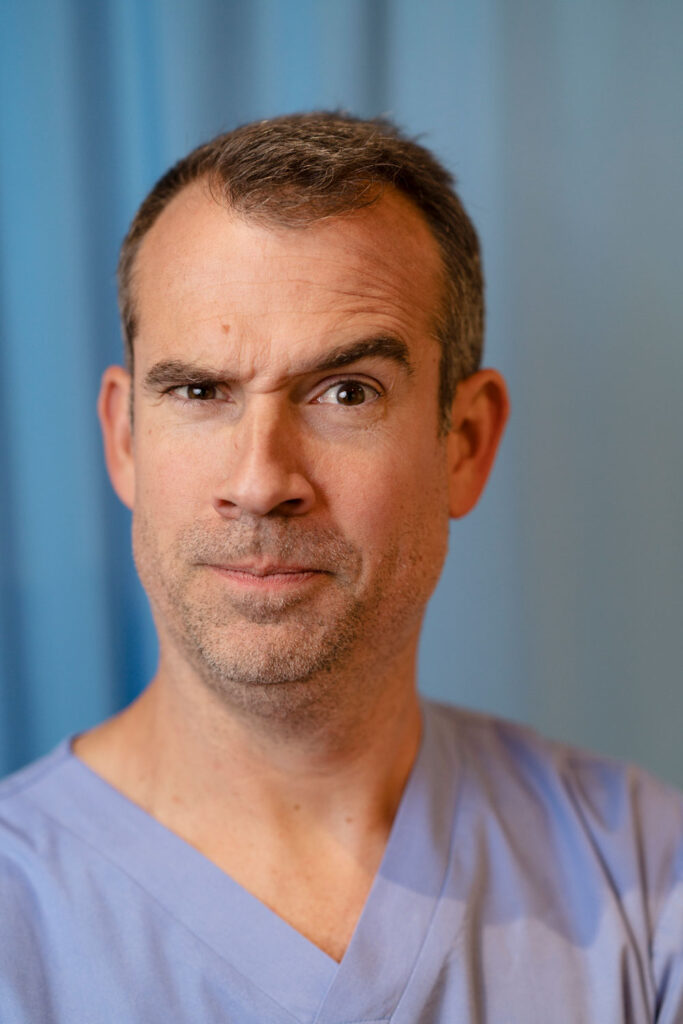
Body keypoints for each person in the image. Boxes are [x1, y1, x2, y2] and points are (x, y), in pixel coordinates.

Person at [0, 112, 681, 1023]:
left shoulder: (644, 873)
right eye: (200, 392)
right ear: (124, 438)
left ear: (465, 443)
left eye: (345, 393)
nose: (259, 482)